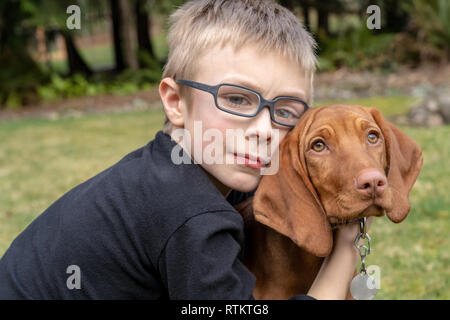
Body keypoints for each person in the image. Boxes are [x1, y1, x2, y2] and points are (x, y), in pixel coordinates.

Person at [0, 0, 370, 299]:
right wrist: (344, 250)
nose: (265, 130)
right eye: (237, 99)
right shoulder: (190, 214)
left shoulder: (180, 169)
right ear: (176, 102)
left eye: (286, 110)